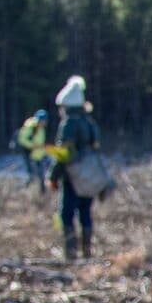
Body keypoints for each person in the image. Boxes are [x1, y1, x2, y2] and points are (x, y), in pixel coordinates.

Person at [49, 76, 101, 261]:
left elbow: (63, 153)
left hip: (72, 176)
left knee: (67, 214)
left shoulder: (69, 123)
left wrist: (54, 176)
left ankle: (71, 255)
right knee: (86, 212)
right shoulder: (90, 122)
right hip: (90, 175)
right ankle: (87, 252)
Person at [16, 109, 50, 190]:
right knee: (31, 176)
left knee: (41, 176)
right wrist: (32, 146)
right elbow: (21, 140)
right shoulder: (30, 127)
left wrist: (44, 154)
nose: (44, 123)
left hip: (38, 155)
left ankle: (42, 195)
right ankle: (21, 190)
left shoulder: (41, 129)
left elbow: (40, 144)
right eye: (43, 120)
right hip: (29, 154)